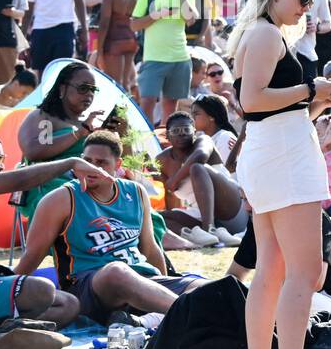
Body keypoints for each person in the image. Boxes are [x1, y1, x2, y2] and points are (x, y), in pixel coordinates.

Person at [230, 0, 331, 349]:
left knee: (273, 271)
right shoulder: (264, 33)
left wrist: (322, 98)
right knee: (305, 271)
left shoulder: (264, 33)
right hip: (281, 153)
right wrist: (310, 90)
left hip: (276, 148)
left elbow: (274, 108)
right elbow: (252, 101)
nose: (308, 6)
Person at [15, 130, 198, 324]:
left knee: (207, 287)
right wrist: (6, 295)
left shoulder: (135, 192)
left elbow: (151, 248)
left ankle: (154, 318)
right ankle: (184, 315)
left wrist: (164, 285)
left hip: (140, 279)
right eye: (86, 160)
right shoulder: (61, 199)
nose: (91, 168)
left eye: (101, 162)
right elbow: (32, 256)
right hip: (87, 288)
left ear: (117, 165)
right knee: (117, 272)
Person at [0, 138, 111, 326]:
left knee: (69, 305)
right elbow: (22, 179)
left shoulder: (131, 192)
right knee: (41, 289)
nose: (0, 168)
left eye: (1, 159)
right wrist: (71, 162)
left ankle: (8, 328)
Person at [15, 60, 110, 222]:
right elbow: (32, 151)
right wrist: (78, 134)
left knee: (125, 191)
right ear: (63, 88)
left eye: (93, 90)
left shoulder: (90, 122)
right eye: (83, 88)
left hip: (89, 181)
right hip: (47, 183)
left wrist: (115, 135)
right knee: (73, 194)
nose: (89, 94)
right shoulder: (44, 116)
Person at [156, 111, 248, 247]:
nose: (182, 133)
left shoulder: (203, 141)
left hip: (232, 210)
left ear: (194, 132)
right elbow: (170, 195)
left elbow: (200, 155)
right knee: (158, 218)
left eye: (186, 129)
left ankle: (208, 228)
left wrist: (175, 180)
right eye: (176, 131)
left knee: (197, 168)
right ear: (168, 135)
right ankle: (193, 237)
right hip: (200, 216)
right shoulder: (162, 160)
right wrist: (173, 216)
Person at [132, 0, 195, 125]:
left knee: (170, 105)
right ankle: (147, 140)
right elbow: (134, 24)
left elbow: (191, 20)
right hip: (154, 58)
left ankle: (166, 140)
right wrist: (157, 15)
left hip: (179, 58)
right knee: (147, 102)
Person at [94, 0, 139, 94]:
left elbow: (104, 22)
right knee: (126, 83)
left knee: (114, 84)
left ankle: (117, 114)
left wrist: (99, 50)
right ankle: (126, 113)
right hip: (130, 39)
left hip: (114, 41)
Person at [191, 93, 239, 164]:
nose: (192, 118)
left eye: (196, 114)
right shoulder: (201, 137)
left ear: (212, 116)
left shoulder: (225, 137)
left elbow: (229, 170)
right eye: (191, 114)